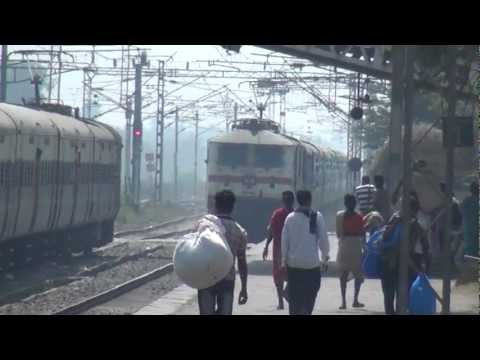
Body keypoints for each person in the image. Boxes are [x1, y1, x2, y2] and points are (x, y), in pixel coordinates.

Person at [197, 190, 248, 315]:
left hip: (206, 279)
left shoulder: (204, 226)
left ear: (215, 206)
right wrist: (244, 288)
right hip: (227, 280)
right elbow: (242, 262)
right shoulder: (239, 231)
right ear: (232, 207)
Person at [379, 196, 430, 315]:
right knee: (392, 296)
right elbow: (385, 238)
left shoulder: (414, 225)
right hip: (393, 264)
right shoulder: (398, 220)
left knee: (396, 298)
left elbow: (423, 247)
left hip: (397, 265)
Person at [281, 190, 330, 315]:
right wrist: (325, 258)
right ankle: (306, 310)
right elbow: (323, 240)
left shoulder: (289, 218)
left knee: (294, 302)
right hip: (312, 266)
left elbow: (284, 242)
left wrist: (283, 261)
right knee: (310, 296)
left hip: (294, 266)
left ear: (297, 201)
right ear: (310, 200)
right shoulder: (316, 216)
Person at [263, 191, 295, 310]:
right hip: (292, 248)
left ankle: (281, 301)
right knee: (293, 273)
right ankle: (286, 295)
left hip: (279, 248)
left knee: (278, 276)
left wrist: (266, 246)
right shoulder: (295, 214)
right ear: (293, 201)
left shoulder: (277, 214)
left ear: (283, 201)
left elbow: (271, 231)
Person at [336, 194, 366, 310]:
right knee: (358, 274)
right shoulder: (359, 217)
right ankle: (355, 300)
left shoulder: (339, 216)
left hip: (344, 244)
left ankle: (343, 302)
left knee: (343, 274)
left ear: (345, 203)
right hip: (356, 245)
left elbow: (338, 234)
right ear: (355, 204)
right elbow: (362, 233)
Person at [461, 181, 479, 258]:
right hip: (474, 228)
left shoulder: (466, 201)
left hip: (468, 228)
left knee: (469, 247)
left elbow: (461, 211)